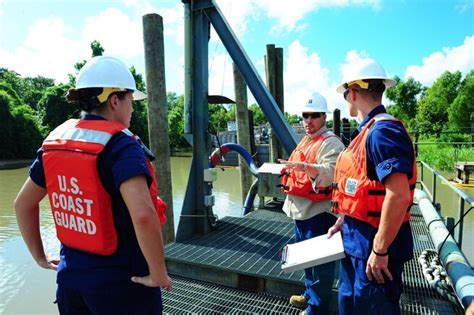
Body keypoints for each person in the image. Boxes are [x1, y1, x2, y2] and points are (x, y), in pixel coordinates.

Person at [14, 56, 172, 314]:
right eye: (130, 100)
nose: (132, 109)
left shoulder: (57, 143)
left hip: (71, 282)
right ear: (114, 101)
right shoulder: (122, 146)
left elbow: (23, 204)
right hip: (123, 287)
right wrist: (158, 275)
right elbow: (144, 216)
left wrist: (40, 258)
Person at [328, 59, 417, 314]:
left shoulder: (383, 132)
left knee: (373, 308)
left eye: (345, 95)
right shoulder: (368, 131)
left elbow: (398, 195)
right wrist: (345, 218)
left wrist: (379, 249)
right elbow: (364, 187)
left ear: (353, 93)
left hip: (374, 244)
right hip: (357, 238)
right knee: (351, 304)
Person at [279, 92, 345, 315]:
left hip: (319, 214)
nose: (308, 121)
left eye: (313, 116)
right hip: (301, 211)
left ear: (323, 117)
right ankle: (309, 294)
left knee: (321, 265)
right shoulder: (307, 140)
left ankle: (317, 308)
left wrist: (312, 169)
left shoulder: (331, 143)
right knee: (308, 259)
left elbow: (335, 171)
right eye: (305, 116)